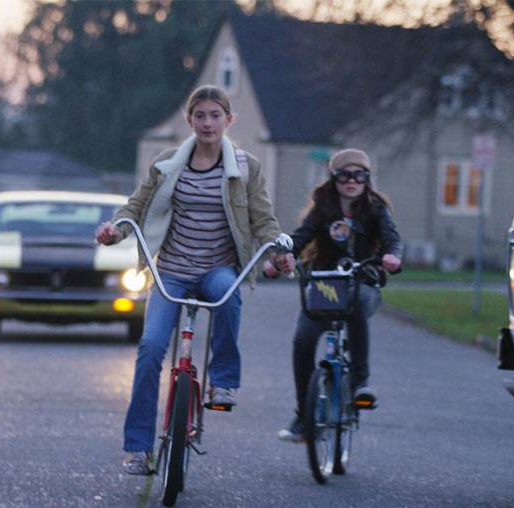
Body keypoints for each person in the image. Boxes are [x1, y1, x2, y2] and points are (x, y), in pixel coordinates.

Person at [95, 84, 295, 475]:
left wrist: (277, 250)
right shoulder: (167, 162)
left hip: (216, 268)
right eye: (199, 116)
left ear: (228, 120)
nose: (207, 123)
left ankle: (223, 381)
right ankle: (138, 448)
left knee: (229, 293)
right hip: (171, 271)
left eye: (214, 115)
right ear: (190, 121)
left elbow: (263, 219)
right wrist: (114, 231)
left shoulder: (246, 167)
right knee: (151, 349)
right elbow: (135, 208)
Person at [265, 148, 402, 443]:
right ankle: (304, 415)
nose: (351, 181)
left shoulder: (376, 209)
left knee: (354, 305)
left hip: (363, 282)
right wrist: (281, 258)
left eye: (359, 175)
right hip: (326, 284)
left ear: (367, 179)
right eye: (344, 175)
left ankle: (360, 382)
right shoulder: (323, 208)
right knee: (303, 339)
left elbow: (392, 238)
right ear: (334, 178)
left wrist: (392, 257)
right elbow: (300, 238)